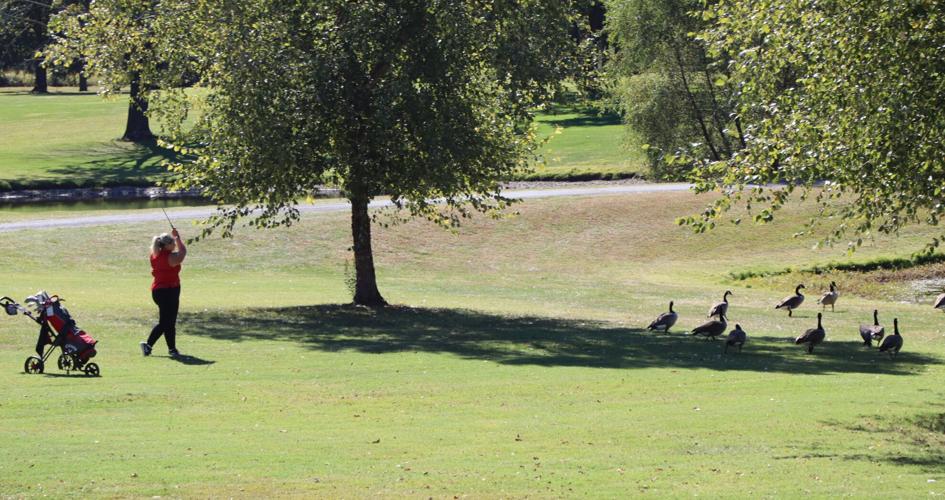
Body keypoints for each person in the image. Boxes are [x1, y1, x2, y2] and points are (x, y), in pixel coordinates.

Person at [141, 228, 186, 357]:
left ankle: (172, 349)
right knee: (166, 322)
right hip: (168, 291)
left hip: (160, 291)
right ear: (167, 245)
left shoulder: (155, 255)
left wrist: (175, 239)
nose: (174, 245)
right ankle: (148, 345)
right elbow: (183, 252)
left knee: (169, 322)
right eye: (172, 243)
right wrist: (178, 238)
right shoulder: (171, 257)